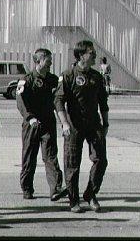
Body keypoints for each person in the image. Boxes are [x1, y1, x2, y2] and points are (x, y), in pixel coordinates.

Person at [54, 40, 109, 213]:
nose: (94, 55)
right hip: (73, 125)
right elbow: (59, 101)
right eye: (91, 52)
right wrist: (64, 123)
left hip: (94, 124)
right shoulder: (68, 75)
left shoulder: (97, 77)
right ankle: (73, 200)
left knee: (101, 160)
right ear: (81, 55)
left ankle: (90, 194)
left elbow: (103, 103)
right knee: (72, 163)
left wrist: (106, 123)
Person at [16, 48, 68, 201]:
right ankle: (27, 188)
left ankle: (56, 189)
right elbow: (21, 102)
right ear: (38, 61)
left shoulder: (53, 80)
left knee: (51, 156)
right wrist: (29, 117)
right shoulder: (26, 79)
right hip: (31, 124)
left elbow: (59, 100)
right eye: (48, 60)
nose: (51, 63)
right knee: (29, 157)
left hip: (48, 123)